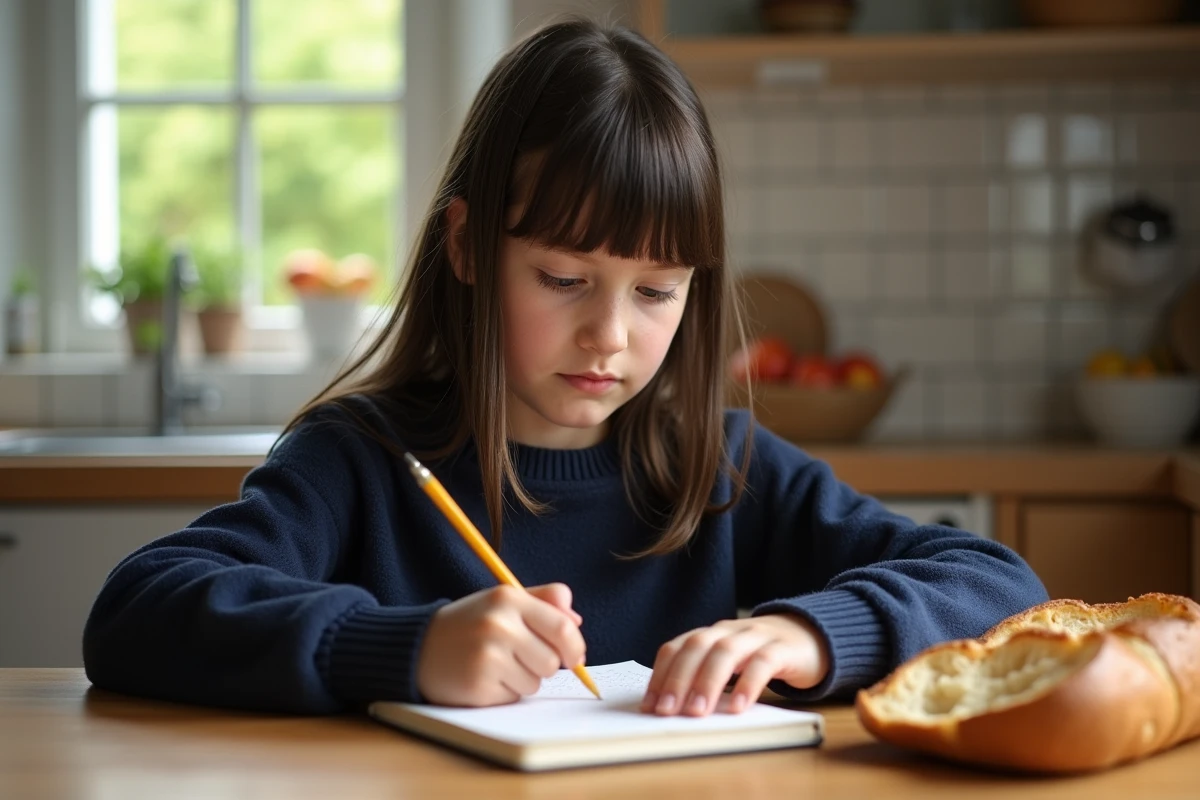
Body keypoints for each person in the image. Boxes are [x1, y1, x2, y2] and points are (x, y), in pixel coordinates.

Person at [83, 18, 1047, 718]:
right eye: (564, 279)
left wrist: (813, 633)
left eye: (656, 291)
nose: (609, 336)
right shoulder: (362, 459)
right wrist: (403, 648)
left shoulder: (716, 467)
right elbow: (137, 608)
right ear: (466, 247)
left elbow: (998, 583)